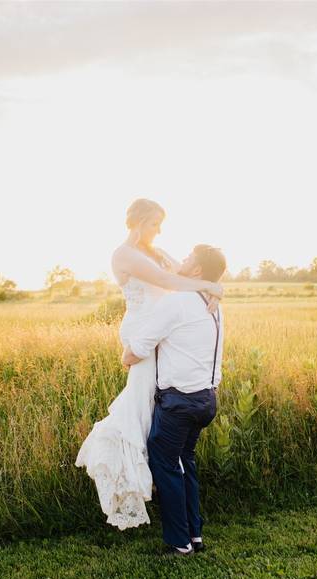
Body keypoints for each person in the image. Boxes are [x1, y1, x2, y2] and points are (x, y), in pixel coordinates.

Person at [75, 199, 222, 530]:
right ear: (140, 221)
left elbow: (188, 271)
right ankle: (138, 481)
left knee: (160, 409)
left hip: (162, 334)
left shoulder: (156, 251)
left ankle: (162, 485)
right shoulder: (124, 254)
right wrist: (210, 285)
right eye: (156, 223)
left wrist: (216, 283)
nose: (159, 230)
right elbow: (171, 283)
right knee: (140, 408)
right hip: (144, 331)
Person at [122, 245, 226, 556]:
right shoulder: (211, 302)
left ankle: (179, 543)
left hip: (180, 401)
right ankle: (194, 535)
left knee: (165, 463)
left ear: (196, 271)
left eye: (189, 257)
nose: (182, 260)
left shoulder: (177, 302)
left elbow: (138, 348)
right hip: (206, 398)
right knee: (185, 462)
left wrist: (126, 355)